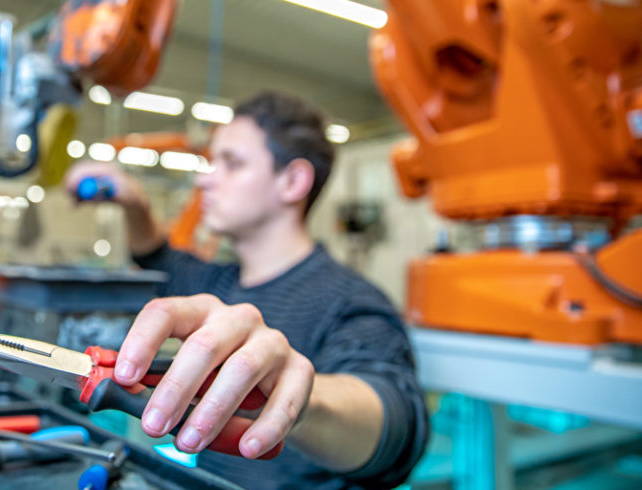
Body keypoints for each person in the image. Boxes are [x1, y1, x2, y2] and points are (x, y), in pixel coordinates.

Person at [64, 91, 428, 489]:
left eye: (231, 163)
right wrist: (133, 203)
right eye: (210, 162)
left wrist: (298, 394)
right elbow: (156, 256)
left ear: (292, 181)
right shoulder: (216, 284)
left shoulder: (351, 300)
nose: (204, 179)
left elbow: (398, 427)